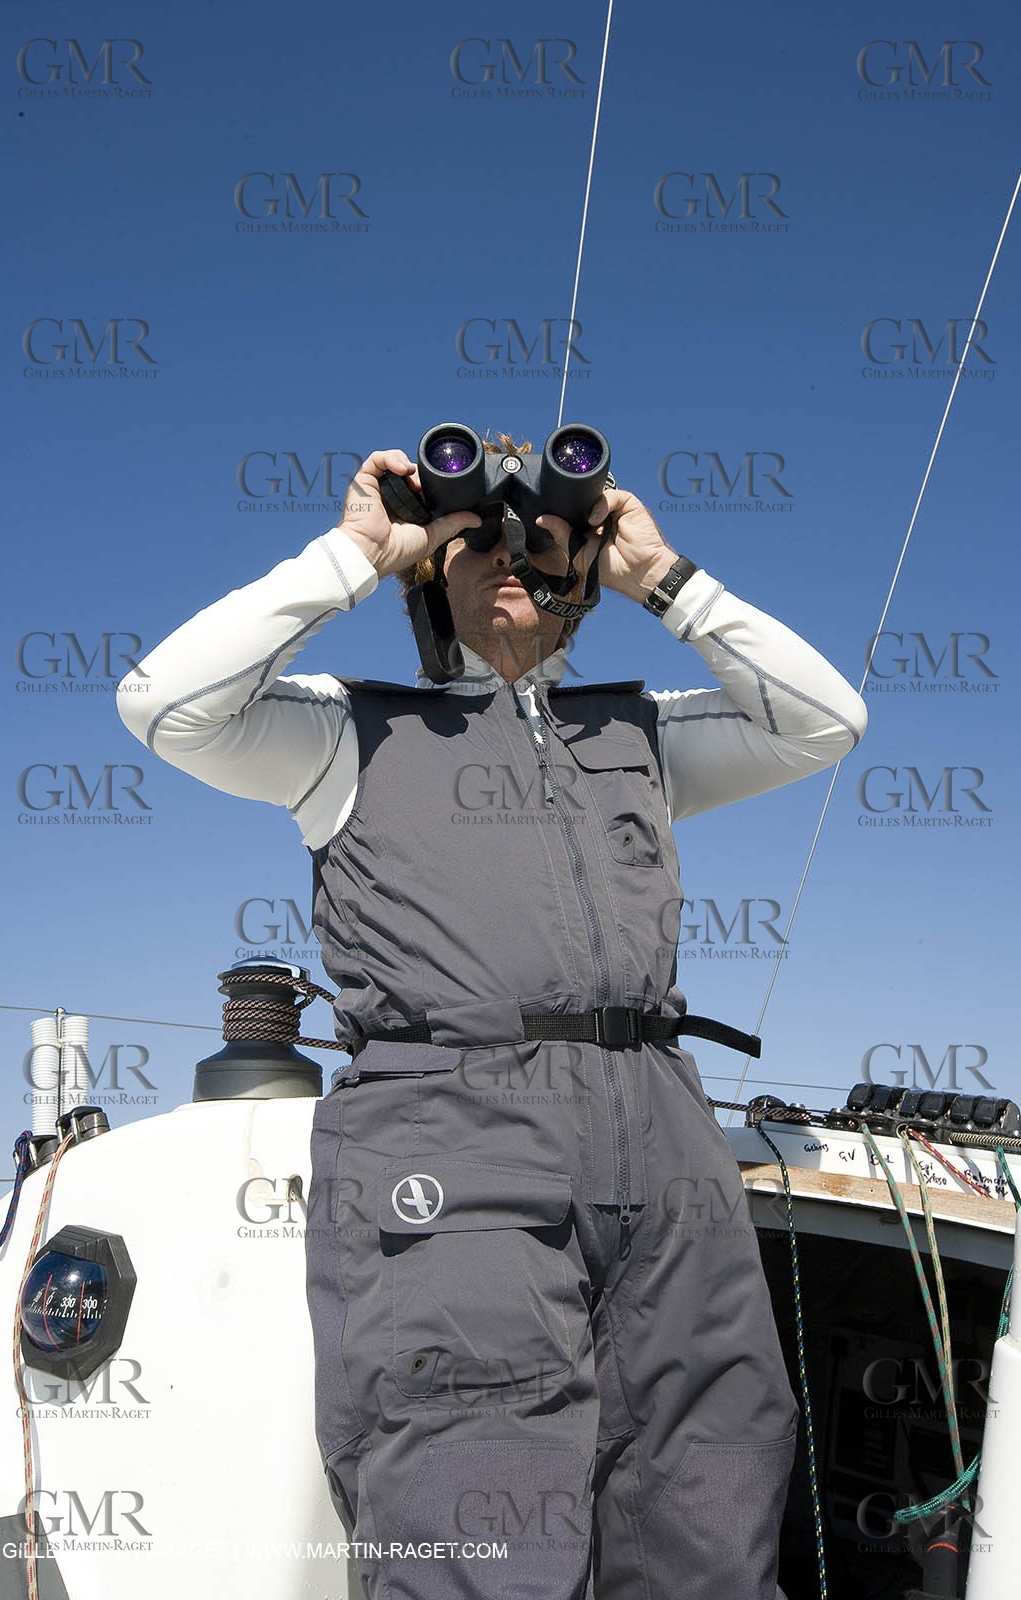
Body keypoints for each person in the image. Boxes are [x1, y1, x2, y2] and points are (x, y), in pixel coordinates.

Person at [117, 434, 868, 1600]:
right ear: (431, 576)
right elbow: (163, 703)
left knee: (707, 1504)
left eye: (543, 540)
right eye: (475, 539)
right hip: (449, 1140)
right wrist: (358, 553)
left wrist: (663, 577)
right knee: (474, 1510)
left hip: (665, 1153)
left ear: (579, 578)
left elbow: (825, 721)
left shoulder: (642, 736)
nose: (511, 556)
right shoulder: (345, 736)